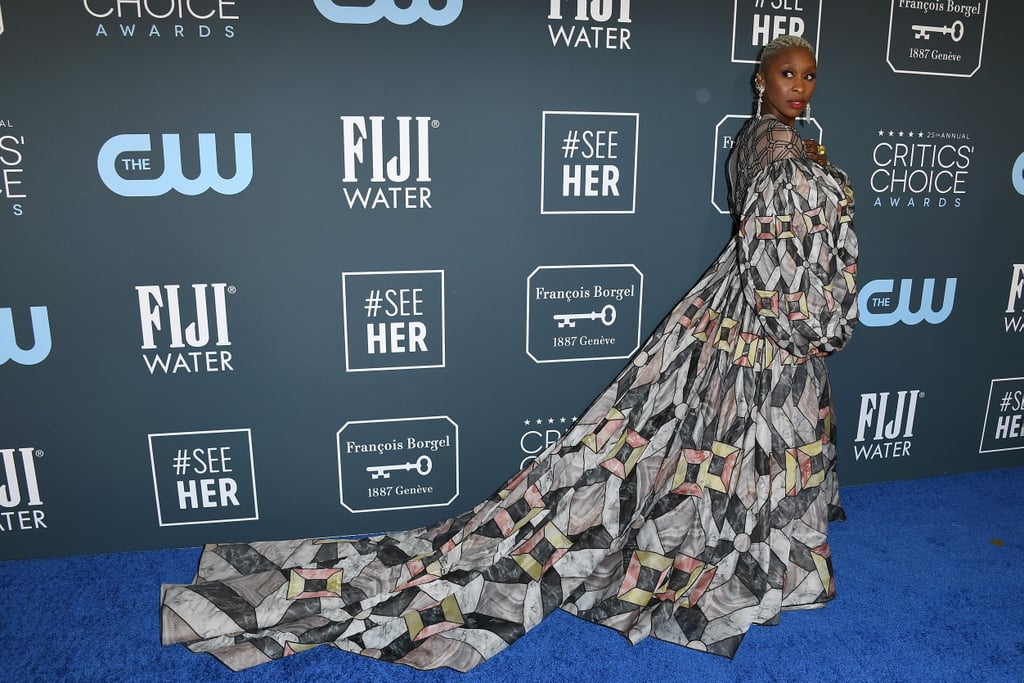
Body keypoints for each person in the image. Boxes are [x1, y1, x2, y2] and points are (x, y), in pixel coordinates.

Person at [160, 34, 857, 672]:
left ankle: (758, 545)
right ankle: (756, 561)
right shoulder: (774, 151)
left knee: (730, 437)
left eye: (810, 75)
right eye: (786, 73)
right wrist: (813, 317)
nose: (800, 85)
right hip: (764, 321)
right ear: (759, 80)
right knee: (748, 432)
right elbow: (784, 264)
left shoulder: (765, 143)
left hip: (734, 311)